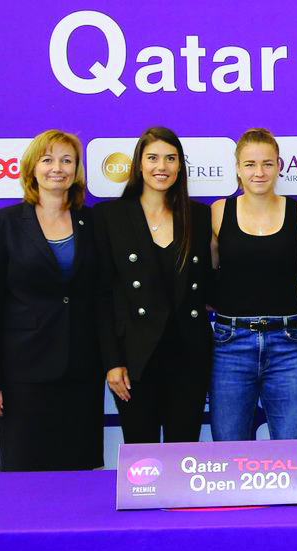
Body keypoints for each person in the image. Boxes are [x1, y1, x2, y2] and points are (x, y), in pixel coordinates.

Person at [0, 130, 103, 470]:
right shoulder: (1, 224)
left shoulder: (94, 223)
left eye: (66, 160)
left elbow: (102, 296)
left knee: (79, 473)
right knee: (25, 475)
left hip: (81, 370)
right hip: (23, 373)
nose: (57, 168)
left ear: (77, 170)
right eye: (47, 160)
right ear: (32, 168)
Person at [95, 127, 214, 444]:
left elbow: (209, 285)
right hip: (135, 359)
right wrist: (112, 363)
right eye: (153, 158)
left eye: (171, 159)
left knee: (184, 454)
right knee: (141, 459)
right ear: (139, 164)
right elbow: (103, 295)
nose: (162, 166)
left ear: (180, 166)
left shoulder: (199, 216)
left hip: (189, 356)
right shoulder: (110, 216)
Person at [209, 128, 297, 441]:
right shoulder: (218, 213)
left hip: (287, 343)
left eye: (267, 164)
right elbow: (205, 277)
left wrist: (281, 298)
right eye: (250, 164)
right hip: (230, 343)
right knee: (227, 455)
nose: (259, 172)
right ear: (237, 168)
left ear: (279, 166)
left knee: (292, 455)